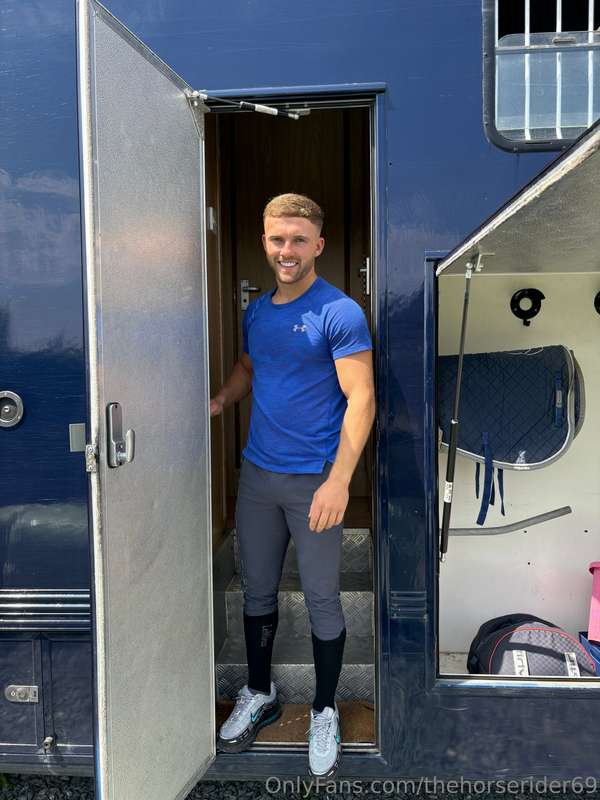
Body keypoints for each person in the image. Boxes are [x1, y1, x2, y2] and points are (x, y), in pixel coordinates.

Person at [210, 193, 375, 778]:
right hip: (257, 477)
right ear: (264, 242)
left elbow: (362, 398)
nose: (287, 250)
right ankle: (260, 692)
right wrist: (221, 400)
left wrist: (339, 482)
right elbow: (251, 368)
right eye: (278, 239)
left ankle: (325, 708)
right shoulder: (257, 312)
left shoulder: (340, 312)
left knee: (322, 597)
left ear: (318, 245)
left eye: (298, 240)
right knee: (257, 591)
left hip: (315, 484)